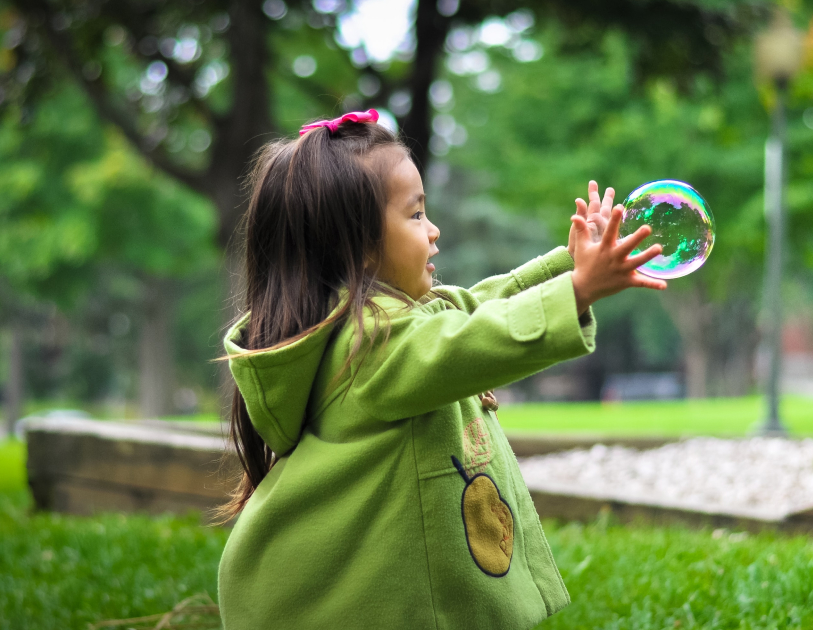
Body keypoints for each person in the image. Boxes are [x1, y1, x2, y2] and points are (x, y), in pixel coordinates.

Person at [216, 110, 666, 629]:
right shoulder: (370, 348)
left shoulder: (388, 325)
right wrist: (579, 291)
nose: (433, 231)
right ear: (359, 249)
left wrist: (569, 263)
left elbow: (472, 307)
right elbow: (471, 340)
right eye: (414, 215)